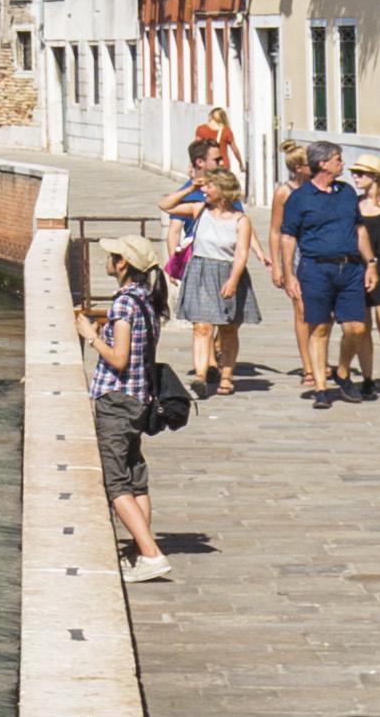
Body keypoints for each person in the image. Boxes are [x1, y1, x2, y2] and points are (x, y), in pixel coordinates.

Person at [78, 237, 168, 568]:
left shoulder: (124, 304)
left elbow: (119, 359)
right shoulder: (148, 301)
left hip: (117, 400)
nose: (108, 258)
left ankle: (151, 554)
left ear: (123, 264)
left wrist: (90, 335)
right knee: (135, 477)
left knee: (116, 482)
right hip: (140, 399)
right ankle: (140, 547)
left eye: (113, 255)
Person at [277, 142, 380, 401]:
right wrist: (288, 274)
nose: (342, 164)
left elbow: (359, 230)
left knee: (356, 328)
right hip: (316, 267)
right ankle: (321, 388)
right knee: (320, 328)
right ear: (323, 164)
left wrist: (371, 263)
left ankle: (343, 371)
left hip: (350, 268)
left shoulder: (346, 193)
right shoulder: (299, 198)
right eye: (338, 159)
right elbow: (288, 237)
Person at [165, 160, 253, 391]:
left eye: (209, 186)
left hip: (227, 271)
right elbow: (165, 205)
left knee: (228, 328)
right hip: (200, 270)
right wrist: (190, 189)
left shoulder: (241, 220)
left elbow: (242, 253)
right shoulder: (199, 209)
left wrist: (233, 280)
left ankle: (226, 376)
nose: (205, 190)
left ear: (222, 190)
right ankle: (201, 376)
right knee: (201, 327)